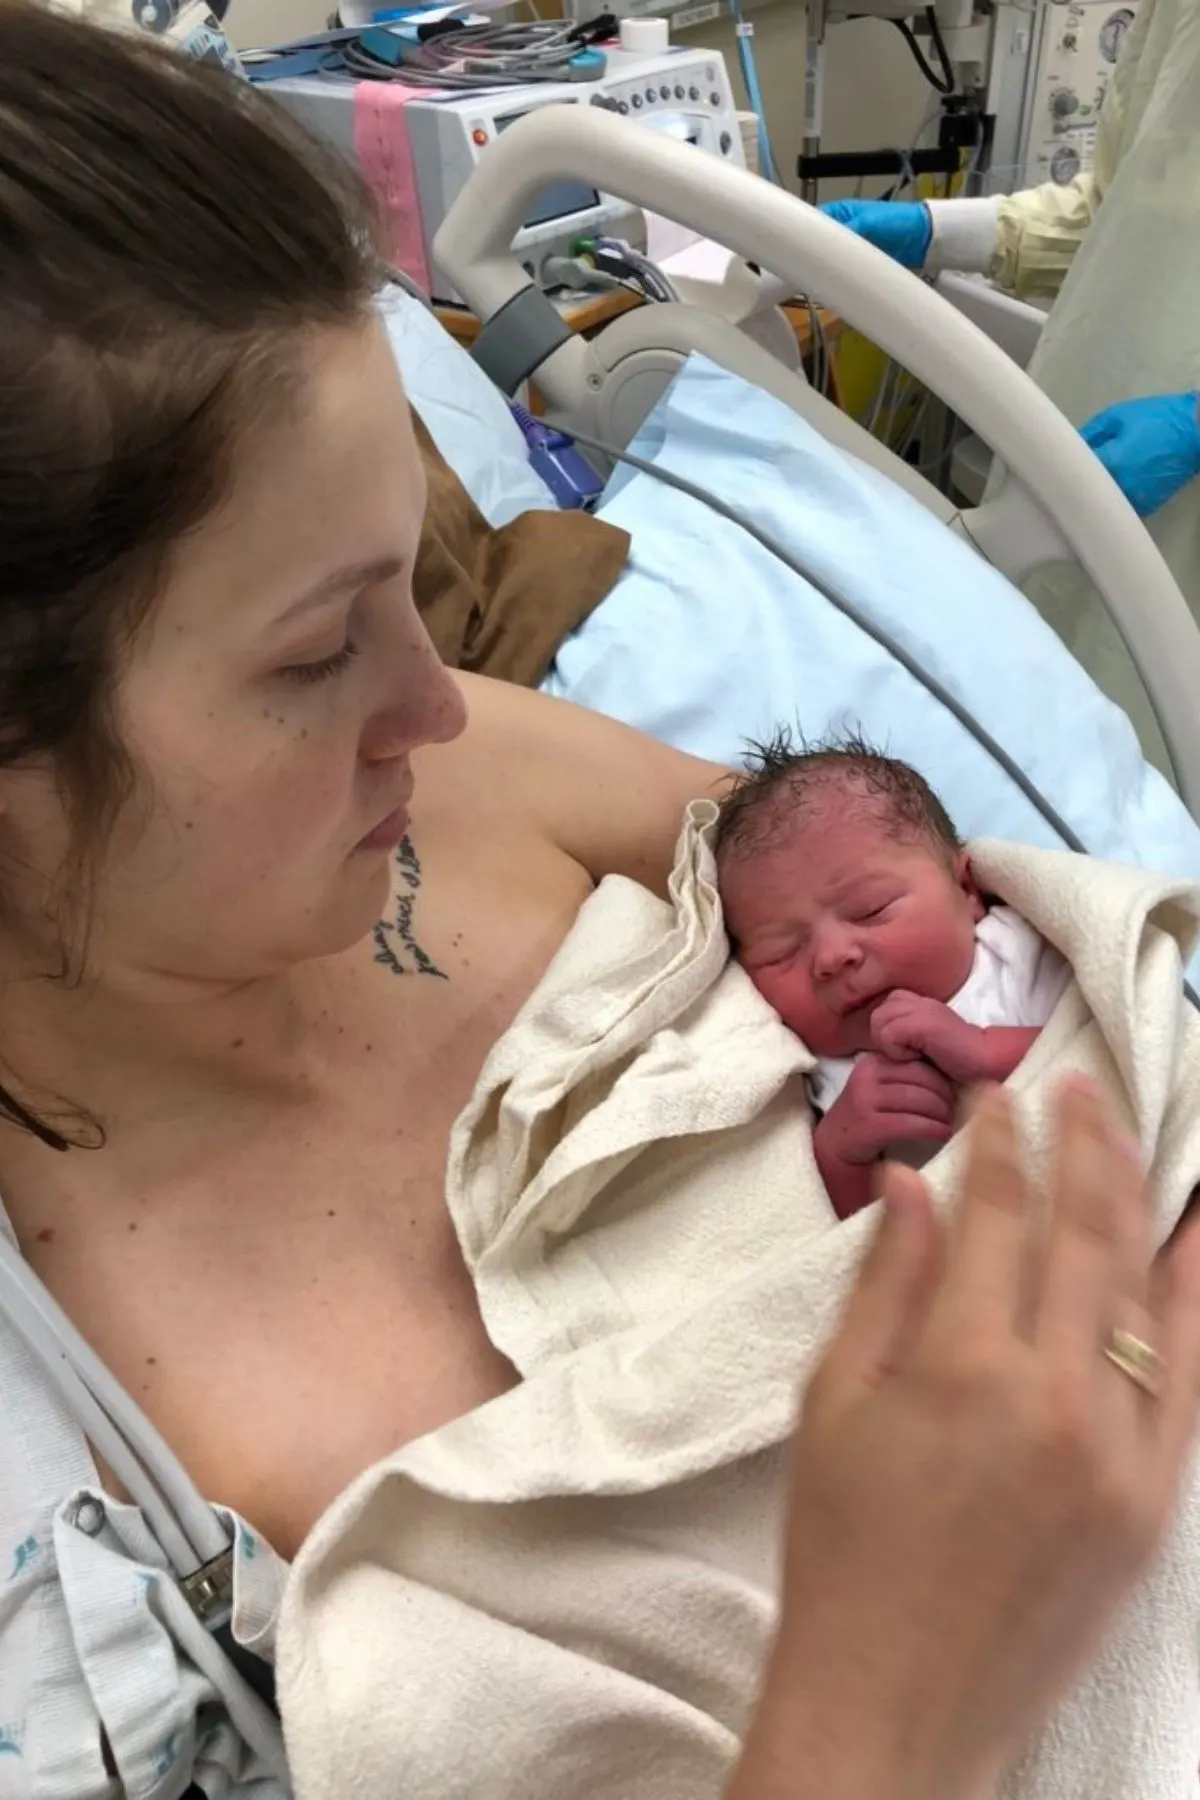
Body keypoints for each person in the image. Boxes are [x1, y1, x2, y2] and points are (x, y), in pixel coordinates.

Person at [2, 10, 1200, 1797]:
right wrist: (884, 1713)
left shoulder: (476, 759)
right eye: (318, 649)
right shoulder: (82, 1413)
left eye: (409, 581)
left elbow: (958, 927)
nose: (436, 701)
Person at [821, 0, 1200, 760]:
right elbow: (1117, 204)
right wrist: (937, 232)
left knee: (1158, 759)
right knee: (1045, 718)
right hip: (1089, 428)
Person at [716, 738, 1068, 1218]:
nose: (832, 958)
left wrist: (985, 1050)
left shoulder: (1016, 950)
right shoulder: (823, 1079)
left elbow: (1124, 1043)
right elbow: (857, 1246)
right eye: (784, 952)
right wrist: (841, 1155)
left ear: (966, 888)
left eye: (870, 910)